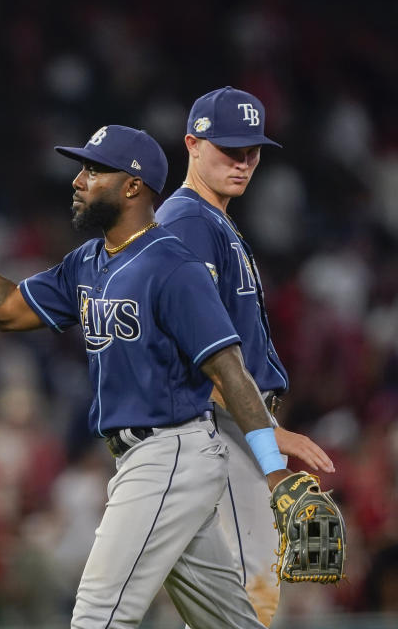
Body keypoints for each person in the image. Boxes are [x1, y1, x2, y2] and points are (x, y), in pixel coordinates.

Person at [0, 124, 303, 628]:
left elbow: (230, 372)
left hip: (172, 453)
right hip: (148, 460)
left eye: (93, 170)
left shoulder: (175, 265)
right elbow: (8, 308)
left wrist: (274, 473)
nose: (78, 181)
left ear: (132, 186)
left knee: (97, 617)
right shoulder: (87, 262)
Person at [155, 86, 333, 626]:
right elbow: (190, 349)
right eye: (230, 148)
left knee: (242, 588)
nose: (244, 161)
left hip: (236, 419)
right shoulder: (188, 221)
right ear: (192, 143)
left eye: (252, 149)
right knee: (247, 584)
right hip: (220, 423)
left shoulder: (213, 221)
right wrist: (265, 432)